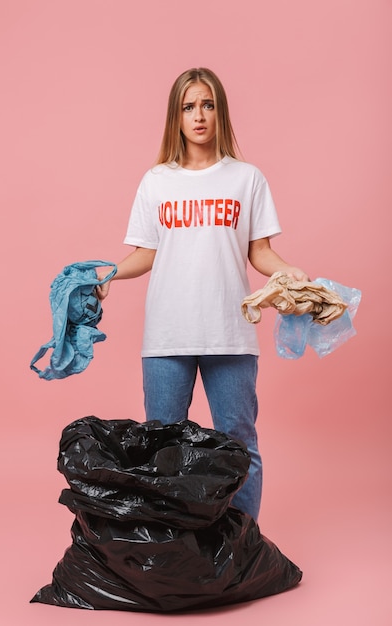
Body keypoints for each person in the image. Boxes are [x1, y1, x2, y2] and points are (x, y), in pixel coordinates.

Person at [97, 67, 308, 521]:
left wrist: (292, 272)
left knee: (238, 442)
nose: (199, 116)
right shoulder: (157, 181)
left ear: (221, 113)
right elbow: (145, 253)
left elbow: (261, 252)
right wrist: (108, 273)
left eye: (208, 105)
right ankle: (175, 549)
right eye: (189, 106)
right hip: (167, 334)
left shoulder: (246, 179)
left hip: (230, 331)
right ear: (176, 116)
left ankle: (243, 542)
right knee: (162, 447)